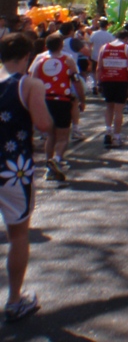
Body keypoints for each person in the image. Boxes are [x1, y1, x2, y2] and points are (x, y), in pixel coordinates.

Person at [0, 33, 52, 322]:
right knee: (18, 235)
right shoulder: (28, 84)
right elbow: (43, 123)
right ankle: (14, 300)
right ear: (26, 56)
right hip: (13, 168)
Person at [28, 33, 84, 181]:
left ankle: (49, 166)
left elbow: (32, 80)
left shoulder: (40, 60)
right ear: (61, 46)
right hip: (62, 100)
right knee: (63, 135)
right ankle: (57, 159)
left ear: (46, 46)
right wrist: (82, 98)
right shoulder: (68, 60)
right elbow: (76, 79)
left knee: (50, 135)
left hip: (46, 100)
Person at [95, 28, 128, 149]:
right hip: (121, 81)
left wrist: (98, 83)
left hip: (107, 80)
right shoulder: (127, 48)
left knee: (109, 107)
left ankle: (108, 131)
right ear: (126, 38)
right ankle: (117, 137)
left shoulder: (104, 47)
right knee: (119, 110)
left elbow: (99, 67)